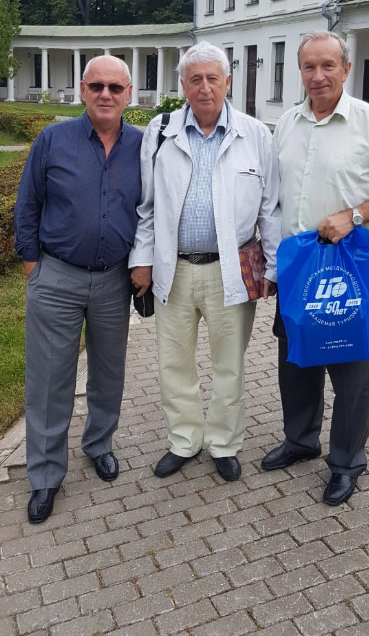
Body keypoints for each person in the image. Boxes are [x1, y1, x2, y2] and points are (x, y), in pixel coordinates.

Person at [262, 30, 369, 506]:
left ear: (346, 69)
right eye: (309, 66)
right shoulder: (287, 123)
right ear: (300, 71)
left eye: (327, 65)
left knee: (349, 362)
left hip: (348, 262)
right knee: (295, 357)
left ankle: (347, 462)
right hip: (297, 262)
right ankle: (300, 440)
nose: (318, 76)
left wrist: (354, 215)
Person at [130, 41, 281, 482]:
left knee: (229, 364)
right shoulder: (160, 131)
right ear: (182, 85)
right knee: (173, 362)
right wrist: (142, 260)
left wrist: (273, 268)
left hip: (230, 270)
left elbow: (270, 208)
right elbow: (146, 206)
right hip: (173, 269)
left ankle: (223, 442)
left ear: (227, 82)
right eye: (194, 79)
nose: (204, 87)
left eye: (213, 78)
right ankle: (184, 439)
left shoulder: (255, 134)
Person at [14, 55, 142, 524]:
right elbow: (28, 204)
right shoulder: (53, 140)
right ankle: (46, 475)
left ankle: (99, 444)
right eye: (97, 86)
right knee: (50, 379)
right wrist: (34, 266)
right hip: (57, 276)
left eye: (115, 87)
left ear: (129, 94)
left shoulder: (142, 146)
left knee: (108, 371)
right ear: (82, 90)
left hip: (114, 280)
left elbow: (150, 210)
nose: (106, 94)